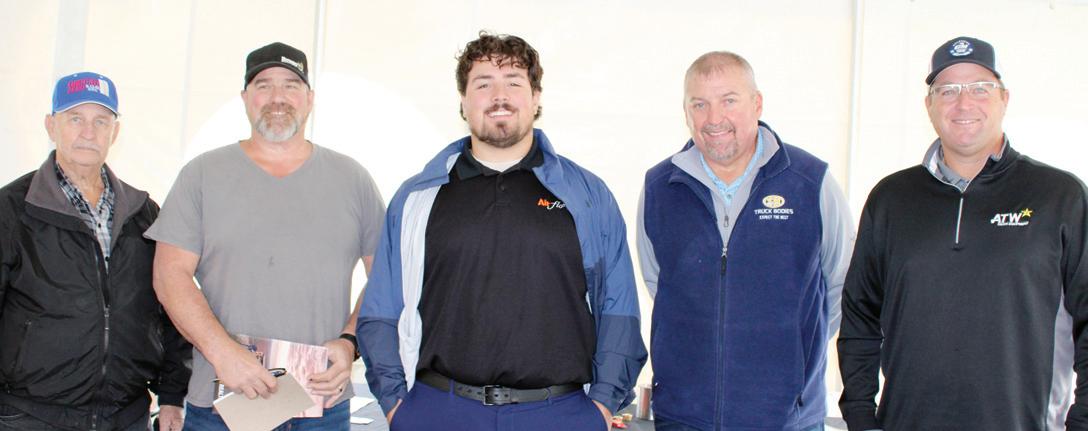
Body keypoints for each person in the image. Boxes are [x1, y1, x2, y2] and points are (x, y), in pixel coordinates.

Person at [357, 32, 646, 431]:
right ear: (463, 101)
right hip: (439, 412)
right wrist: (395, 405)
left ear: (536, 97)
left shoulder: (587, 195)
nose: (499, 95)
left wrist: (601, 404)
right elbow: (380, 310)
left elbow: (619, 308)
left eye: (513, 82)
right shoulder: (417, 198)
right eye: (483, 84)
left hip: (559, 415)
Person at [837, 36, 1088, 430]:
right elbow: (859, 317)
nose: (964, 103)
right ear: (929, 105)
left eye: (979, 88)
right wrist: (860, 415)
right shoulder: (891, 199)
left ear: (1004, 99)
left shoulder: (1059, 196)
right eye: (948, 90)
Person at [146, 42, 385, 429]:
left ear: (309, 99)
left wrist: (350, 342)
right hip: (224, 406)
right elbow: (169, 275)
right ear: (245, 98)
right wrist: (223, 353)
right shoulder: (202, 175)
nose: (278, 97)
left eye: (291, 85)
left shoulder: (352, 180)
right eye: (263, 85)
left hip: (321, 405)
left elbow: (386, 277)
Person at [636, 51, 854, 430]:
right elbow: (659, 283)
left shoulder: (810, 182)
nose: (714, 118)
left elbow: (842, 286)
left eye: (729, 101)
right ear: (685, 112)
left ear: (757, 104)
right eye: (699, 104)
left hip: (786, 419)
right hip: (685, 417)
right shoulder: (660, 187)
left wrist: (795, 358)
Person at [0, 72, 190, 430]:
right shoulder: (12, 209)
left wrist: (172, 395)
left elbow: (173, 303)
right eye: (75, 118)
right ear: (50, 125)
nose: (88, 132)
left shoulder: (143, 212)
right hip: (31, 416)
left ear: (114, 132)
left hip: (125, 415)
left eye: (101, 121)